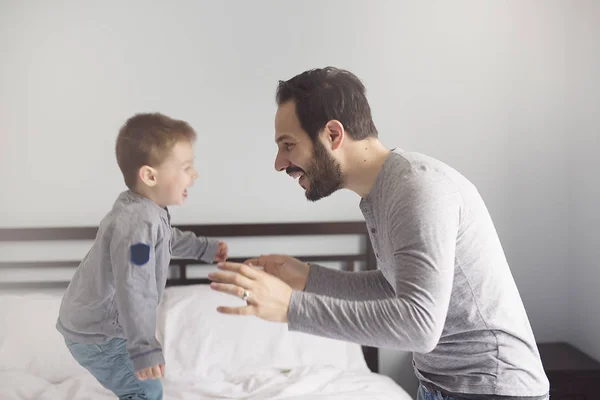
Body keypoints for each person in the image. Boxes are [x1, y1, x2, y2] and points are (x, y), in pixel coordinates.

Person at [207, 67, 550, 400]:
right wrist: (308, 277)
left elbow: (419, 325)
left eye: (288, 144)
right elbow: (394, 287)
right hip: (444, 385)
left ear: (333, 135)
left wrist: (291, 308)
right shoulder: (383, 193)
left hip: (492, 389)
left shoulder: (416, 189)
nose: (279, 163)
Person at [56, 112, 228, 400]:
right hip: (98, 334)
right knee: (146, 391)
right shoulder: (137, 225)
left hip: (93, 326)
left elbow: (167, 239)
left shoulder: (144, 211)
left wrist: (204, 249)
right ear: (150, 176)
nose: (194, 174)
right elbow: (135, 285)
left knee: (146, 389)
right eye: (186, 167)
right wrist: (144, 347)